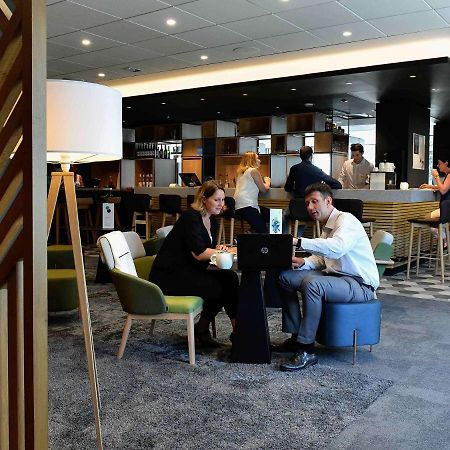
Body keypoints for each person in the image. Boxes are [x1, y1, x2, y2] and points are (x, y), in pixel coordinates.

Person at [275, 182, 379, 371]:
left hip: (360, 285)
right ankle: (295, 335)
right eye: (307, 203)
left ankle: (306, 349)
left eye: (314, 201)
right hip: (337, 277)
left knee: (313, 284)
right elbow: (323, 259)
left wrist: (298, 241)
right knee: (286, 278)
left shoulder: (346, 221)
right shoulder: (327, 226)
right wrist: (303, 262)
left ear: (328, 201)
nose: (310, 207)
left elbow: (337, 248)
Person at [149, 180, 239, 347]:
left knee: (230, 278)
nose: (221, 204)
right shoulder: (190, 217)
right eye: (216, 200)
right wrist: (227, 252)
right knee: (220, 287)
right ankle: (234, 334)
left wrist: (218, 248)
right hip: (169, 275)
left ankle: (219, 329)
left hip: (189, 270)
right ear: (204, 199)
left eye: (223, 200)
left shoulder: (211, 220)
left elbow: (206, 250)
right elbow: (199, 253)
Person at [283, 145, 342, 234]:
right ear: (311, 156)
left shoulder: (294, 169)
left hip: (296, 207)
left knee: (284, 216)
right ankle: (297, 237)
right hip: (312, 209)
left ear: (300, 156)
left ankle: (287, 238)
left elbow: (287, 188)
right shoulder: (316, 170)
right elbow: (337, 184)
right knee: (304, 217)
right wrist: (321, 188)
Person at [234, 151, 271, 233]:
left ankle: (251, 231)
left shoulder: (241, 173)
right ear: (252, 160)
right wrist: (267, 181)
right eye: (257, 158)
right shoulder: (253, 171)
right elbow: (264, 189)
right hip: (247, 206)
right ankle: (252, 233)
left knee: (270, 215)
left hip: (237, 207)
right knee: (263, 231)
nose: (260, 160)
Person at [419, 158, 450, 247]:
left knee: (427, 219)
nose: (438, 166)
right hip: (447, 210)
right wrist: (431, 186)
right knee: (439, 223)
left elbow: (443, 190)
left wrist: (436, 176)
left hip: (447, 210)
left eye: (439, 164)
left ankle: (445, 239)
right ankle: (445, 238)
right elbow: (445, 187)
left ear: (446, 163)